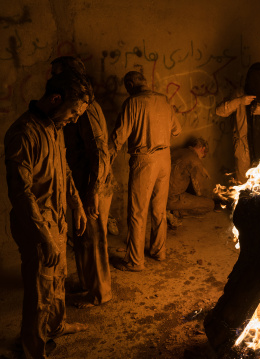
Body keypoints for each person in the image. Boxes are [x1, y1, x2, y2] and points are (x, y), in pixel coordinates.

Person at [4, 70, 91, 358]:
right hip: (36, 225)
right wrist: (44, 237)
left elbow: (63, 170)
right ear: (55, 99)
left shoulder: (55, 127)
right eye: (74, 111)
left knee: (57, 279)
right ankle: (32, 347)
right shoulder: (22, 134)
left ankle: (55, 326)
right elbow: (21, 193)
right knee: (40, 288)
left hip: (57, 220)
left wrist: (76, 204)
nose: (75, 119)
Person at [51, 56, 114, 307]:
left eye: (56, 73)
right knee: (82, 237)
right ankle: (88, 283)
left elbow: (99, 153)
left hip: (92, 185)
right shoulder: (78, 105)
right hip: (81, 183)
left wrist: (92, 192)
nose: (51, 79)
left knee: (94, 238)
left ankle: (100, 293)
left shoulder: (86, 109)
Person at [109, 71, 181, 272]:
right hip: (165, 158)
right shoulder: (164, 101)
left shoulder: (132, 103)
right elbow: (177, 130)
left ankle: (135, 261)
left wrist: (105, 158)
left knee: (137, 212)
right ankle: (159, 251)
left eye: (127, 86)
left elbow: (119, 137)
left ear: (131, 84)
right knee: (159, 209)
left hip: (144, 160)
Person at [216, 63, 260, 183]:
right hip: (244, 152)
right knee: (244, 186)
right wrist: (240, 101)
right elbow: (220, 111)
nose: (257, 84)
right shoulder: (240, 94)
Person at [167, 137, 214, 226]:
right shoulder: (195, 161)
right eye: (203, 156)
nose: (201, 159)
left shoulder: (177, 151)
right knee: (210, 204)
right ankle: (174, 212)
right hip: (172, 199)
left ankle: (168, 209)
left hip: (158, 196)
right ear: (202, 149)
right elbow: (200, 191)